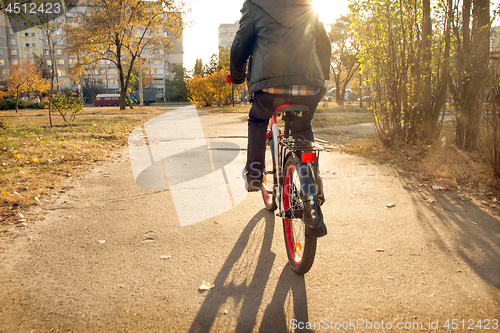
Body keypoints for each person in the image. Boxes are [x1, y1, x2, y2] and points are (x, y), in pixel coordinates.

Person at [230, 0, 331, 192]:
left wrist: (237, 76)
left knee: (257, 120)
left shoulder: (255, 4)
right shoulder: (307, 5)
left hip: (269, 90)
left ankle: (254, 175)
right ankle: (313, 187)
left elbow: (240, 44)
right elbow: (324, 44)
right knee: (302, 127)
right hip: (309, 89)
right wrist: (322, 74)